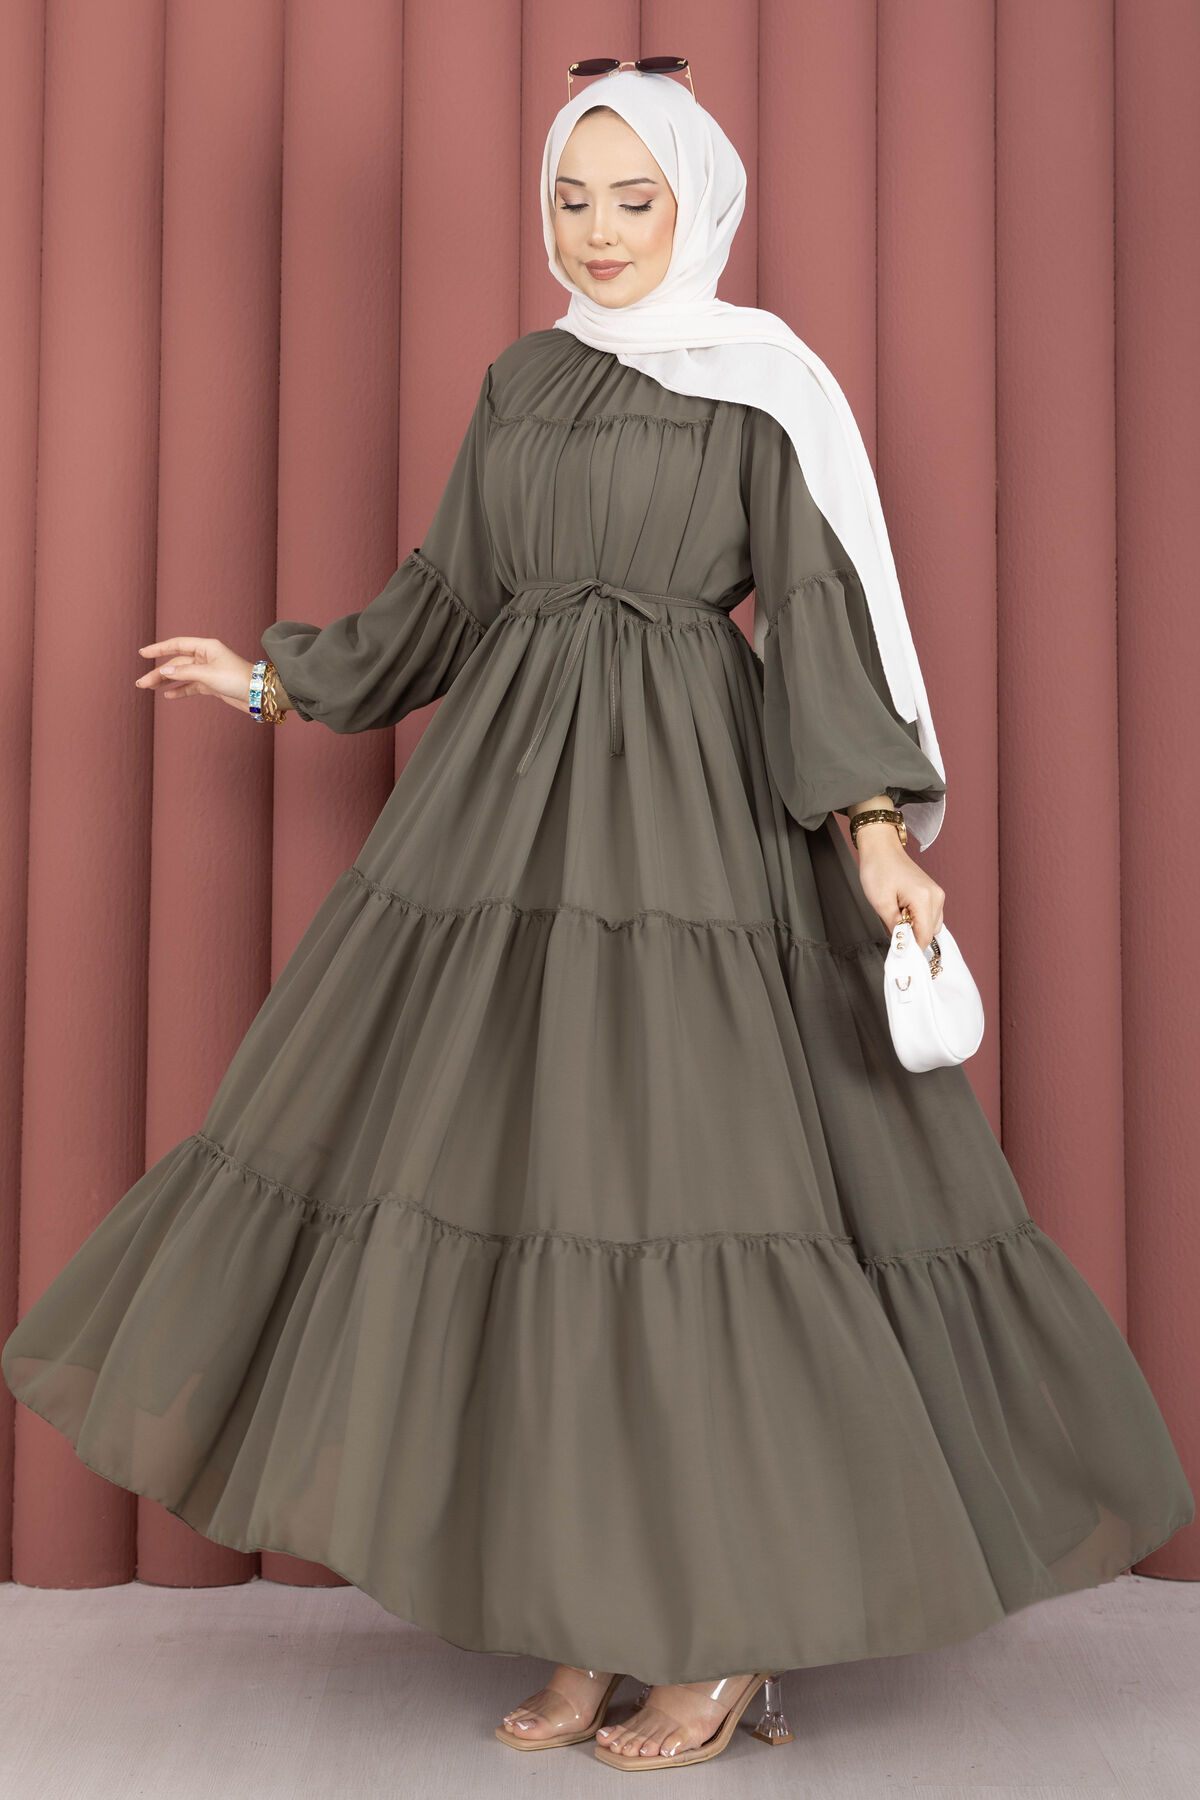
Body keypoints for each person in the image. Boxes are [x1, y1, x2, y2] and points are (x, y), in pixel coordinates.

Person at [3, 66, 1192, 1778]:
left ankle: (713, 1642)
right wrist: (277, 680)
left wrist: (875, 838)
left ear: (698, 205)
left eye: (637, 199)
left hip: (695, 832)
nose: (602, 231)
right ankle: (587, 1618)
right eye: (574, 198)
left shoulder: (764, 382)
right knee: (537, 1194)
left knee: (686, 1201)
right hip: (506, 826)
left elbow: (821, 615)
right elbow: (448, 595)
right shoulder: (523, 380)